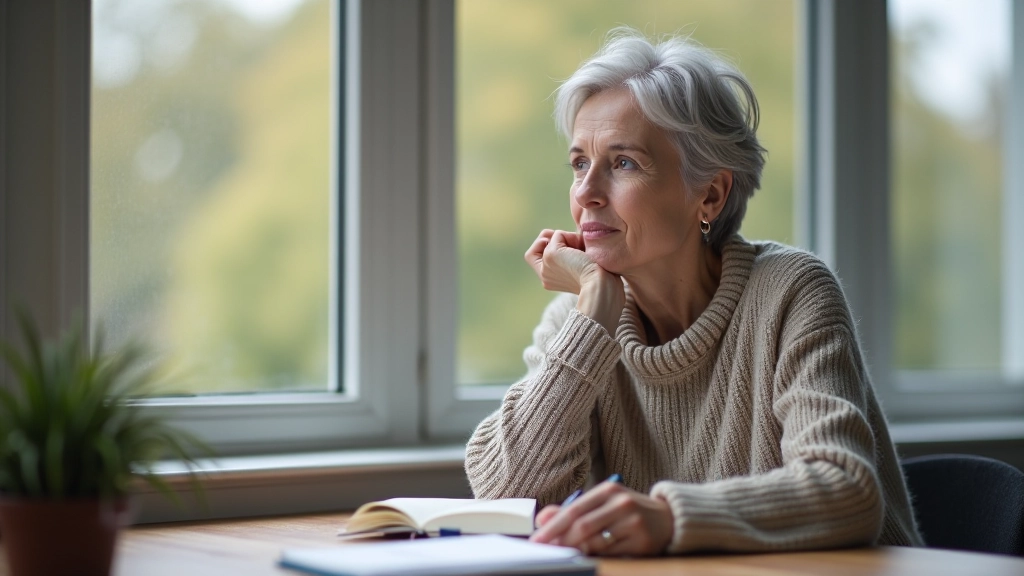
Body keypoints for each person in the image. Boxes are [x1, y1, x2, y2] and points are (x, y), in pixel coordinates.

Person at [464, 29, 923, 557]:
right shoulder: (579, 317)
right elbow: (509, 496)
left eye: (623, 162)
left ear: (710, 193)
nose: (586, 193)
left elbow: (846, 490)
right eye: (578, 163)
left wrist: (668, 517)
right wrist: (591, 314)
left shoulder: (791, 292)